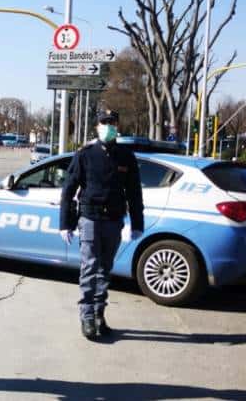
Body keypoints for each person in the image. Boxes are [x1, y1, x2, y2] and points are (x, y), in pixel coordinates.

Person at [58, 109, 144, 341]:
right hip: (90, 218)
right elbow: (69, 188)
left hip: (114, 221)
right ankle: (86, 316)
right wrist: (65, 223)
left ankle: (99, 314)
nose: (108, 126)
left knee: (105, 269)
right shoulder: (85, 154)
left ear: (118, 125)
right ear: (97, 127)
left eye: (112, 122)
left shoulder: (125, 156)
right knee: (89, 267)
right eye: (104, 122)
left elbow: (135, 192)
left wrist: (137, 223)